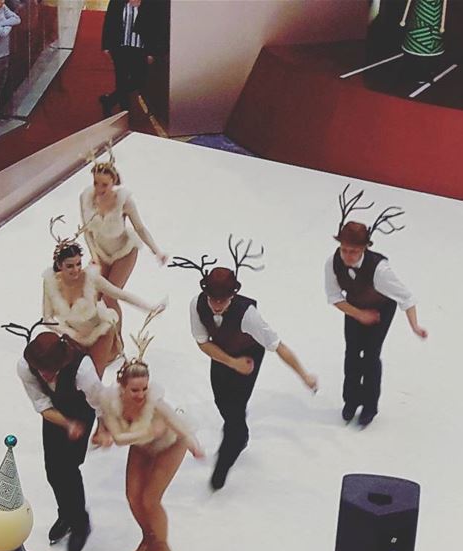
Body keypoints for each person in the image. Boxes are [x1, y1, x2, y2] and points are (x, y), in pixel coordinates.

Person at [172, 238, 318, 491]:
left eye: (223, 299)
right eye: (212, 298)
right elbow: (202, 342)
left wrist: (304, 375)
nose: (217, 304)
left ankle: (225, 462)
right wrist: (230, 362)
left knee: (235, 410)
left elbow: (278, 346)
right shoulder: (197, 305)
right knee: (221, 401)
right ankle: (239, 435)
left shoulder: (249, 316)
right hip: (222, 354)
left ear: (232, 295)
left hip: (248, 355)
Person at [92, 312, 204, 551]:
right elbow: (117, 435)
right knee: (133, 497)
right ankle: (149, 539)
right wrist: (115, 432)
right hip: (142, 444)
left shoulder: (156, 401)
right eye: (135, 390)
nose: (141, 395)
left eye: (144, 389)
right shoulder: (110, 402)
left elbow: (179, 425)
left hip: (169, 445)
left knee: (150, 499)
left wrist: (193, 444)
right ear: (121, 387)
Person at [325, 191, 427, 427]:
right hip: (353, 309)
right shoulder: (332, 262)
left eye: (353, 251)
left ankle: (369, 406)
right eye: (344, 249)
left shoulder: (380, 270)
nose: (347, 255)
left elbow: (406, 297)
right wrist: (358, 314)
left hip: (380, 311)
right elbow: (333, 297)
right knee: (351, 355)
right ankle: (351, 400)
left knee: (370, 357)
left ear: (363, 249)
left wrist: (414, 326)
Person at [6, 322, 106, 551]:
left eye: (50, 369)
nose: (45, 374)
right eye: (41, 369)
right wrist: (66, 424)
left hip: (81, 411)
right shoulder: (25, 367)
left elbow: (99, 402)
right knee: (53, 470)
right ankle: (66, 514)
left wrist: (101, 428)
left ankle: (81, 522)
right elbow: (42, 404)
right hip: (55, 414)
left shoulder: (83, 370)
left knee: (70, 469)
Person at [44, 218, 165, 377]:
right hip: (73, 339)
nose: (76, 270)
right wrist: (71, 334)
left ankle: (115, 349)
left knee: (92, 382)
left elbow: (119, 294)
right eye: (70, 266)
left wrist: (149, 307)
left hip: (100, 333)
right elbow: (47, 318)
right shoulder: (50, 283)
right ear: (60, 265)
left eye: (79, 264)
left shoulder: (91, 278)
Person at [79, 156, 167, 338]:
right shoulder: (86, 198)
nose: (99, 189)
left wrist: (156, 251)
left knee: (111, 298)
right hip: (101, 253)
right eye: (96, 183)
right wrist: (94, 256)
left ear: (114, 182)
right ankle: (97, 336)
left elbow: (140, 228)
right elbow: (86, 231)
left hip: (124, 253)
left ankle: (116, 343)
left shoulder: (124, 201)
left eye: (104, 184)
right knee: (90, 294)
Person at [99, 0, 164, 118]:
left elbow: (156, 27)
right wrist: (106, 45)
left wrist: (151, 52)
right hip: (120, 47)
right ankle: (125, 113)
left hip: (140, 48)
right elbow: (109, 21)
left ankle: (110, 100)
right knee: (121, 79)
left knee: (139, 79)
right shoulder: (117, 2)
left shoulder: (151, 3)